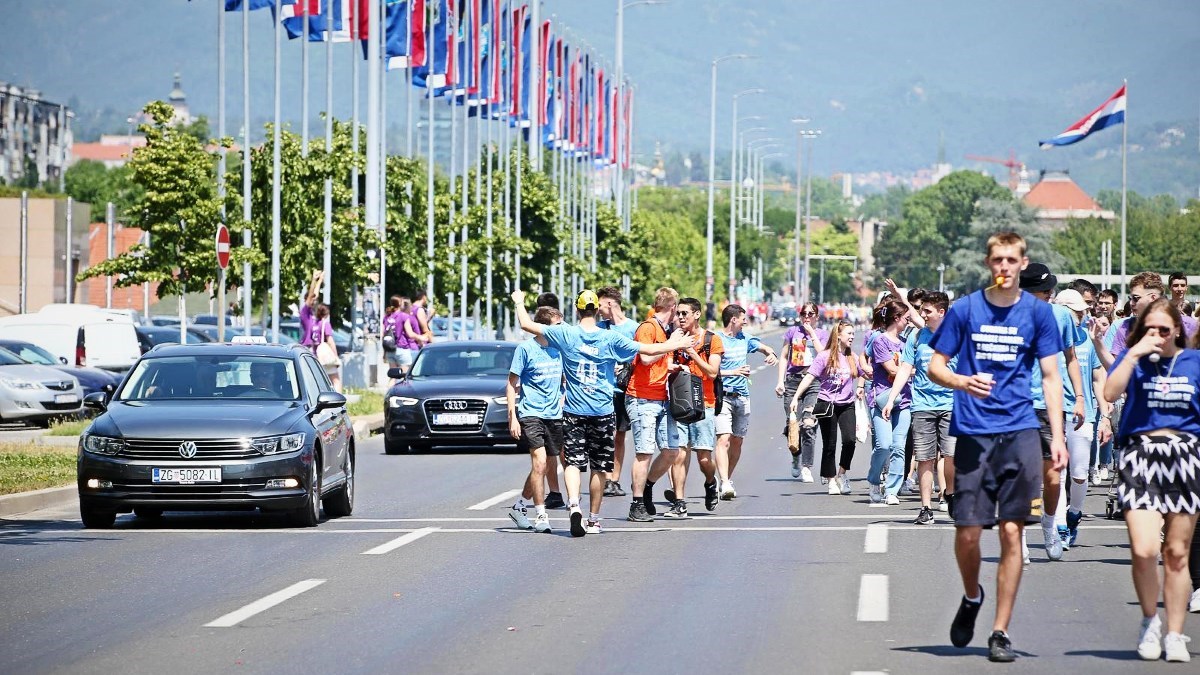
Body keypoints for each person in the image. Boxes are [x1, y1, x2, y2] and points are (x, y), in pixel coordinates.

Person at [927, 231, 1068, 663]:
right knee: (968, 534)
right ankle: (972, 596)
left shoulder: (1038, 315)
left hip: (1021, 432)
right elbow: (936, 366)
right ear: (988, 262)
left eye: (1012, 260)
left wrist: (1058, 436)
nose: (1004, 267)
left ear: (1023, 263)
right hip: (972, 432)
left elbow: (1049, 377)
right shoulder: (967, 309)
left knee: (1011, 531)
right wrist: (961, 380)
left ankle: (1000, 631)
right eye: (997, 260)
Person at [511, 289, 693, 536]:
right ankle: (593, 519)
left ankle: (574, 504)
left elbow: (526, 324)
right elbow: (646, 350)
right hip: (602, 410)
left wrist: (519, 301)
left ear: (577, 310)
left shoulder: (566, 333)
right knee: (599, 467)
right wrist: (676, 343)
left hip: (574, 410)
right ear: (597, 310)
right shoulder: (609, 338)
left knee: (573, 464)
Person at [1102, 297, 1199, 662]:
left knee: (1176, 554)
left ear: (1178, 329)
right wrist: (1132, 353)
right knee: (1144, 550)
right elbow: (1110, 394)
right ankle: (1149, 622)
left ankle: (1174, 633)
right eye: (1149, 329)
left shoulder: (1194, 362)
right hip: (1140, 456)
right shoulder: (1135, 363)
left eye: (1163, 329)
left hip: (1186, 457)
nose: (1156, 335)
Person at [1019, 262, 1085, 561]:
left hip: (1051, 405)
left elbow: (1071, 358)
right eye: (1043, 292)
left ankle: (1047, 523)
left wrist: (1080, 397)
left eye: (1049, 292)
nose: (1048, 296)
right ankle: (1020, 531)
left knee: (1053, 477)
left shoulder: (1061, 316)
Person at [883, 291, 955, 524]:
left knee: (951, 454)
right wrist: (892, 397)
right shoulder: (917, 337)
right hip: (922, 405)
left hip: (951, 404)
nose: (922, 314)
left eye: (927, 311)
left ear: (941, 312)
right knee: (925, 458)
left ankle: (951, 493)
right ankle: (926, 508)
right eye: (921, 310)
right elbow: (905, 368)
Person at [1051, 289, 1113, 550]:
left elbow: (1098, 380)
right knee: (1058, 471)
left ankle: (1074, 513)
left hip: (1084, 415)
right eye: (1076, 312)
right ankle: (1060, 524)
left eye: (1082, 311)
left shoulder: (1087, 340)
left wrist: (1105, 416)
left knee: (1078, 474)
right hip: (1054, 413)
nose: (1081, 316)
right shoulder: (1047, 339)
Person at [650, 297, 723, 518]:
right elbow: (662, 363)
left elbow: (712, 372)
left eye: (685, 313)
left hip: (704, 404)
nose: (680, 317)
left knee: (703, 459)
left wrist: (691, 354)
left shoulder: (712, 339)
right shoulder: (674, 339)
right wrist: (674, 366)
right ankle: (679, 502)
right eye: (678, 313)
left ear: (697, 314)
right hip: (679, 403)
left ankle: (711, 482)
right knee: (679, 454)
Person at [626, 287, 685, 519]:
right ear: (671, 307)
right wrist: (670, 344)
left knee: (671, 451)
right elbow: (646, 357)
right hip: (642, 397)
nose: (678, 315)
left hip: (662, 398)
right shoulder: (648, 328)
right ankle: (636, 503)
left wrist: (673, 367)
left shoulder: (663, 330)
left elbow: (658, 362)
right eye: (677, 310)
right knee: (644, 452)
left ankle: (647, 486)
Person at [506, 306, 566, 534]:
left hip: (554, 415)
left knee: (545, 464)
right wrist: (513, 416)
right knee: (540, 462)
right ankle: (541, 514)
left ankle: (520, 506)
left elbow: (566, 379)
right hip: (531, 412)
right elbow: (511, 383)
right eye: (558, 326)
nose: (562, 330)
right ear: (542, 327)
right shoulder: (525, 349)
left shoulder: (560, 349)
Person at [789, 320, 862, 495]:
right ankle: (830, 480)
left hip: (847, 404)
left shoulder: (853, 357)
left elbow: (865, 372)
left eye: (853, 334)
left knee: (850, 441)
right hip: (826, 404)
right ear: (839, 335)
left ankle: (841, 474)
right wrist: (796, 397)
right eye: (849, 334)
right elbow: (809, 377)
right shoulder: (825, 356)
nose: (852, 337)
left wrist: (861, 385)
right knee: (830, 444)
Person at [714, 304, 778, 506]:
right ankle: (724, 482)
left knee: (737, 441)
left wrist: (770, 354)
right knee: (723, 439)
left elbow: (764, 347)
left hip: (742, 396)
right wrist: (733, 373)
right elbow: (710, 371)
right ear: (733, 319)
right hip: (722, 396)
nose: (745, 321)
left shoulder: (745, 338)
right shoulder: (717, 340)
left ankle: (726, 479)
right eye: (743, 318)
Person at [865, 298, 912, 506]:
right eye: (907, 318)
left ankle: (891, 490)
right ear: (897, 318)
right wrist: (913, 370)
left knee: (898, 446)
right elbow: (893, 370)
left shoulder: (906, 343)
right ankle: (874, 480)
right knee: (883, 446)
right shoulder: (880, 341)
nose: (909, 322)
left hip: (905, 400)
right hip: (883, 399)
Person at [775, 301, 828, 483]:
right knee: (793, 425)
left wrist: (812, 334)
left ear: (816, 317)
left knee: (809, 423)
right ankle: (796, 456)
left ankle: (807, 466)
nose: (807, 317)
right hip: (793, 381)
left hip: (813, 382)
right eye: (804, 313)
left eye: (810, 314)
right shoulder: (792, 333)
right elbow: (783, 357)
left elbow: (823, 356)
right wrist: (780, 381)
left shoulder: (822, 334)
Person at [597, 286, 639, 499]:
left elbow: (641, 355)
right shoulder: (600, 328)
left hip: (624, 389)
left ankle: (614, 479)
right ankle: (604, 478)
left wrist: (625, 366)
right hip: (603, 389)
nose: (598, 310)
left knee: (619, 436)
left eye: (600, 305)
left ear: (610, 304)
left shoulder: (634, 328)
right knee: (605, 435)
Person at [534, 293, 566, 509]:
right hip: (542, 406)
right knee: (549, 452)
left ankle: (568, 490)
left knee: (563, 452)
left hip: (564, 401)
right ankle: (555, 492)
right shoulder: (534, 342)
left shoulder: (563, 335)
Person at [299, 270, 323, 351]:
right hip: (307, 346)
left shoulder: (313, 313)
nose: (314, 301)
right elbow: (311, 296)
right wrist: (314, 280)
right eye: (312, 300)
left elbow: (315, 295)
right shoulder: (305, 312)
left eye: (315, 300)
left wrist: (320, 281)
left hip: (315, 346)